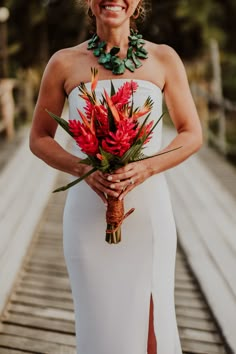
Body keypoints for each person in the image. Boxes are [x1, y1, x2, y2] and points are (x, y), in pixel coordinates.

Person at [30, 0, 202, 353]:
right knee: (100, 323)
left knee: (153, 325)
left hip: (148, 212)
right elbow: (39, 137)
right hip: (87, 215)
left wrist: (148, 165)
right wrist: (83, 170)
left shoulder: (164, 58)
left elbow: (191, 133)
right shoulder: (63, 63)